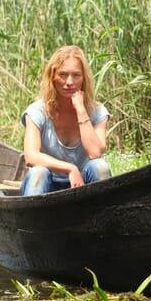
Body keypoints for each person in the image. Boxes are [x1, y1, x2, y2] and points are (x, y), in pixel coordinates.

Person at [20, 46, 112, 196]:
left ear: (83, 79)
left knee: (99, 166)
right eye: (63, 75)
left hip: (82, 184)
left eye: (76, 75)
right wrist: (70, 168)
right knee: (38, 173)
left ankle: (105, 216)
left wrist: (80, 109)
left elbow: (95, 153)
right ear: (52, 77)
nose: (69, 82)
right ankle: (32, 218)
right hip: (46, 184)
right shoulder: (37, 111)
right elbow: (31, 156)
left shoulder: (98, 111)